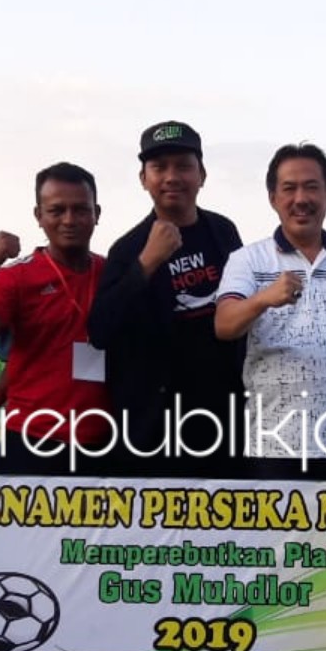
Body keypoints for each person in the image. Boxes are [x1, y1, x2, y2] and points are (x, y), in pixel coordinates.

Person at [214, 143, 326, 480]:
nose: (301, 198)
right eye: (289, 188)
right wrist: (264, 298)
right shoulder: (248, 260)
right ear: (272, 198)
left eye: (311, 186)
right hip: (271, 446)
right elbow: (224, 325)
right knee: (276, 535)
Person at [88, 121, 246, 477]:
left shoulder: (223, 231)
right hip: (154, 428)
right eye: (159, 168)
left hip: (224, 418)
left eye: (183, 166)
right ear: (143, 178)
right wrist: (147, 262)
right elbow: (100, 329)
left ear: (201, 174)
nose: (171, 177)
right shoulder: (128, 248)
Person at [0, 163, 114, 475]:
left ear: (96, 212)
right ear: (38, 216)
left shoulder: (113, 272)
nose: (69, 220)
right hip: (33, 438)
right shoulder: (16, 277)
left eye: (80, 209)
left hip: (106, 438)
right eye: (57, 210)